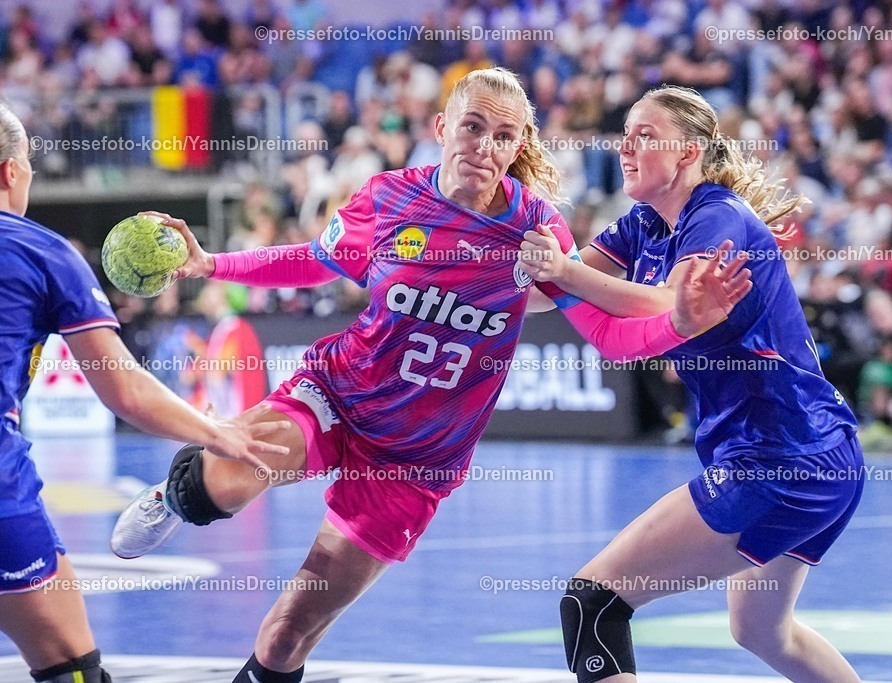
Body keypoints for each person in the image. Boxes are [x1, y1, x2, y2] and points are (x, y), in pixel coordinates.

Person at [109, 68, 752, 683]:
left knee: (286, 636)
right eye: (473, 127)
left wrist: (681, 323)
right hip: (337, 395)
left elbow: (607, 334)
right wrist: (211, 264)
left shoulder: (537, 228)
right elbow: (314, 259)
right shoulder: (389, 197)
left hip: (416, 463)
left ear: (518, 146)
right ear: (443, 127)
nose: (485, 146)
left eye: (504, 137)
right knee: (219, 489)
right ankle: (176, 495)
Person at [519, 85, 864, 683]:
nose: (626, 148)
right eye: (624, 135)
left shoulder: (719, 216)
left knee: (593, 603)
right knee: (761, 630)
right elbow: (547, 297)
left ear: (688, 153)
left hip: (779, 458)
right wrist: (446, 291)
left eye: (644, 136)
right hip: (824, 454)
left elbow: (665, 306)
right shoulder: (645, 224)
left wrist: (564, 268)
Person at [0, 103, 289, 683]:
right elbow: (125, 389)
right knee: (71, 670)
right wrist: (217, 433)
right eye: (30, 164)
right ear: (11, 171)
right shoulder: (44, 253)